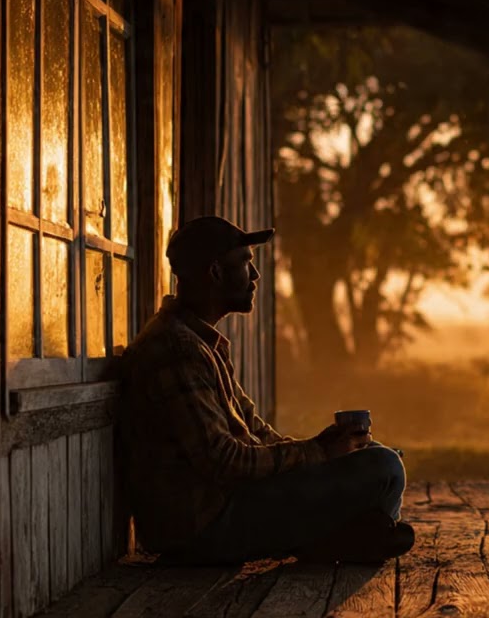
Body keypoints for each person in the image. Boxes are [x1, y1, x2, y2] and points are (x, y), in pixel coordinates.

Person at [113, 215, 413, 565]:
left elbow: (255, 432)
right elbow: (223, 461)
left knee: (369, 454)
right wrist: (316, 453)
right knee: (383, 467)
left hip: (229, 504)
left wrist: (326, 449)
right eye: (245, 263)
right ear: (215, 272)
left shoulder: (201, 342)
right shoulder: (177, 350)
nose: (255, 277)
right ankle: (352, 538)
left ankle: (345, 539)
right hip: (203, 526)